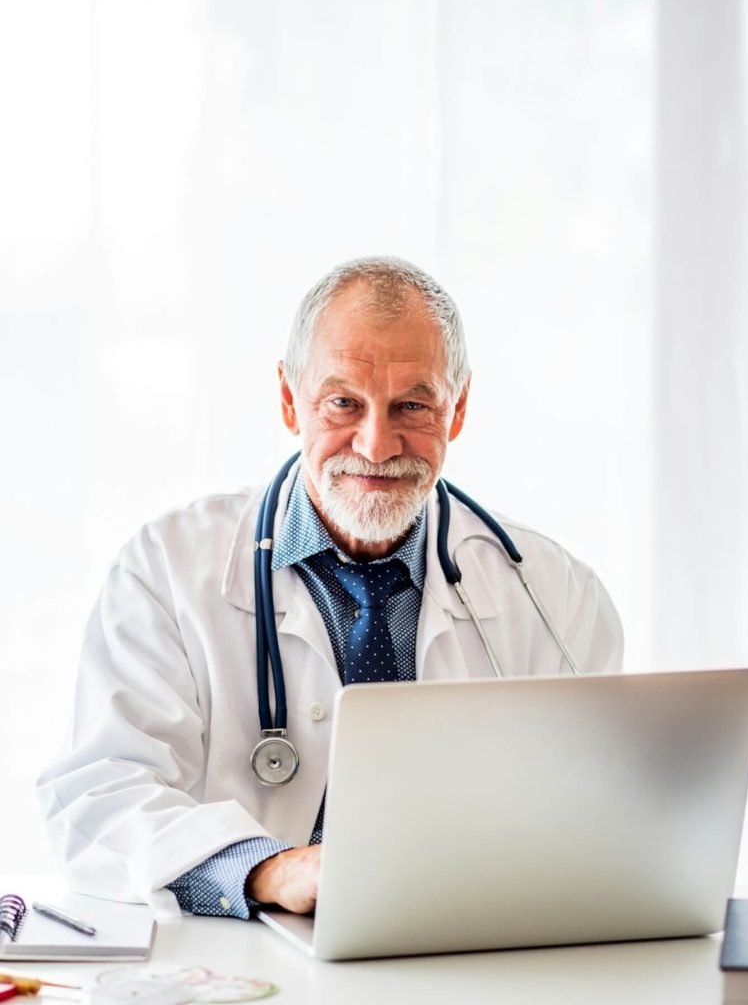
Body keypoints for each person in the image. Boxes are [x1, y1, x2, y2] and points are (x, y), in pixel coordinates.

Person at [37, 256, 623, 919]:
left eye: (413, 405)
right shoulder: (168, 568)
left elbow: (599, 814)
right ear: (291, 400)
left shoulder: (551, 593)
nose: (376, 445)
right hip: (243, 956)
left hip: (467, 947)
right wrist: (265, 868)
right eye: (344, 402)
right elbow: (101, 797)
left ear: (456, 410)